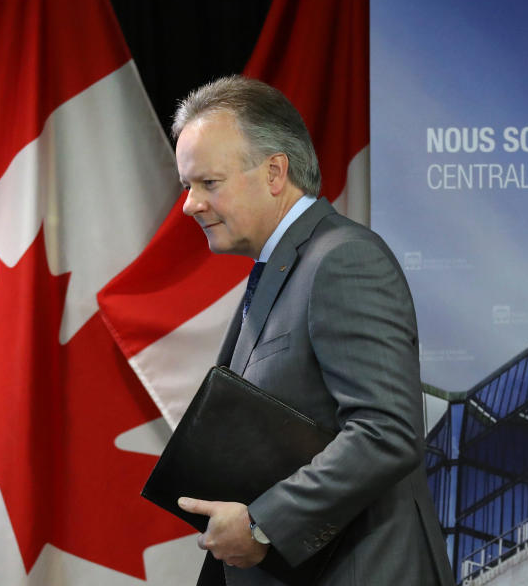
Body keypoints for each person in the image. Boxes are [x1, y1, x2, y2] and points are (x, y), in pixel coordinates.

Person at [172, 75, 454, 586]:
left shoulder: (343, 259)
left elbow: (386, 432)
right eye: (186, 186)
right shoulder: (280, 270)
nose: (190, 204)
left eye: (208, 183)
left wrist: (260, 526)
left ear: (275, 172)